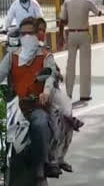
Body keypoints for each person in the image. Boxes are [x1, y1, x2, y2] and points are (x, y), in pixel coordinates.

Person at [0, 17, 57, 186]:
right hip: (15, 106)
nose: (26, 37)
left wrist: (46, 92)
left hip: (36, 106)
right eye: (23, 33)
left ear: (37, 34)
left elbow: (50, 77)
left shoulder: (46, 56)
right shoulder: (12, 56)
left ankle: (40, 172)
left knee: (40, 124)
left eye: (30, 33)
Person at [36, 17, 83, 173]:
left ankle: (58, 158)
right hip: (30, 91)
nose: (40, 33)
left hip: (49, 90)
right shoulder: (19, 51)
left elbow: (53, 70)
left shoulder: (45, 50)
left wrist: (56, 73)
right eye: (38, 30)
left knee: (65, 115)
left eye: (43, 30)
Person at [60, 0, 102, 102]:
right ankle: (85, 94)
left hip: (71, 34)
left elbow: (62, 20)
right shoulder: (87, 1)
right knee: (85, 65)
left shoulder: (67, 1)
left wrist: (60, 36)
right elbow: (98, 13)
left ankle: (68, 93)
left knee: (70, 66)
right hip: (83, 35)